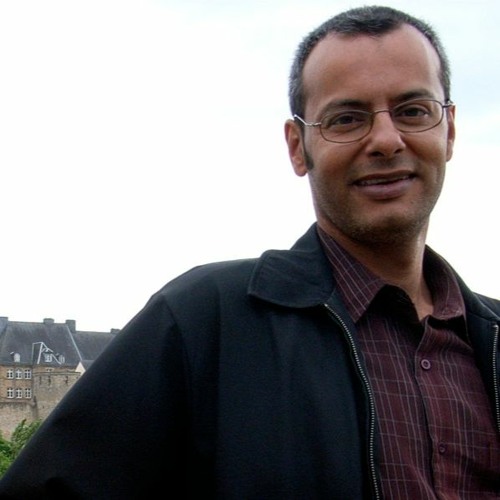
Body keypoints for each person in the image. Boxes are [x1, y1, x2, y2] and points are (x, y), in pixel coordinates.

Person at [1, 4, 499, 499]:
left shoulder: (489, 342)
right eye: (346, 119)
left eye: (413, 111)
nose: (386, 140)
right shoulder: (204, 322)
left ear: (450, 129)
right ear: (297, 147)